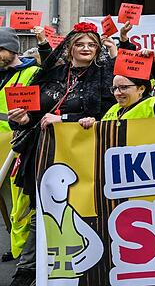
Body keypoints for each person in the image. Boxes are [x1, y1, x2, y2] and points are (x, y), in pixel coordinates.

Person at [8, 22, 119, 286]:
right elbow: (31, 114)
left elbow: (107, 113)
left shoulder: (104, 76)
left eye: (92, 45)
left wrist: (65, 119)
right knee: (42, 210)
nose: (86, 48)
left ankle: (78, 267)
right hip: (43, 152)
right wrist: (21, 119)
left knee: (78, 209)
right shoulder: (53, 73)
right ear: (69, 47)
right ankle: (27, 271)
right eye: (80, 44)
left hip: (82, 155)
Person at [0, 28, 38, 263]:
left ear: (10, 50)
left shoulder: (32, 73)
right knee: (5, 200)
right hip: (1, 144)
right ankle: (17, 248)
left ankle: (22, 251)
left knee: (19, 201)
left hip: (16, 144)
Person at [99, 49, 155, 122]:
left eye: (123, 87)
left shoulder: (151, 106)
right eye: (114, 88)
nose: (117, 93)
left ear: (141, 89)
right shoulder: (114, 108)